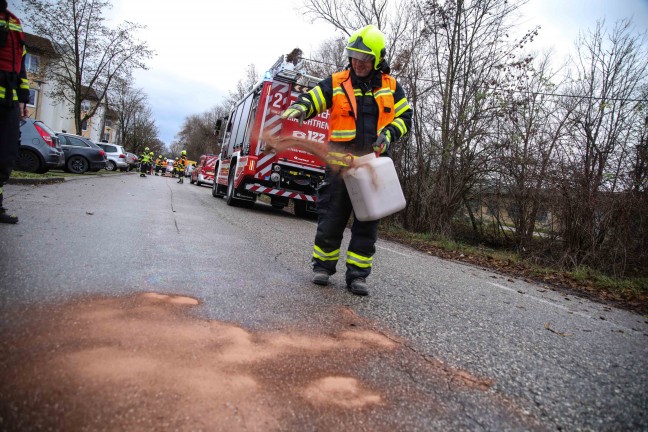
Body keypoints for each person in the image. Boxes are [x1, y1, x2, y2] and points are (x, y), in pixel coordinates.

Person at [281, 25, 412, 296]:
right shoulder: (338, 81)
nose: (357, 62)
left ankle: (357, 276)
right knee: (331, 216)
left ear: (376, 59)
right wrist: (302, 107)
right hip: (340, 166)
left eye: (363, 58)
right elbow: (317, 96)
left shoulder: (391, 87)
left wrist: (389, 133)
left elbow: (405, 118)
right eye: (353, 56)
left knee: (367, 223)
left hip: (371, 166)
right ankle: (323, 268)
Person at [0, 0, 29, 224]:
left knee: (5, 155)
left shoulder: (14, 22)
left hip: (9, 101)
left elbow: (21, 66)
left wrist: (23, 99)